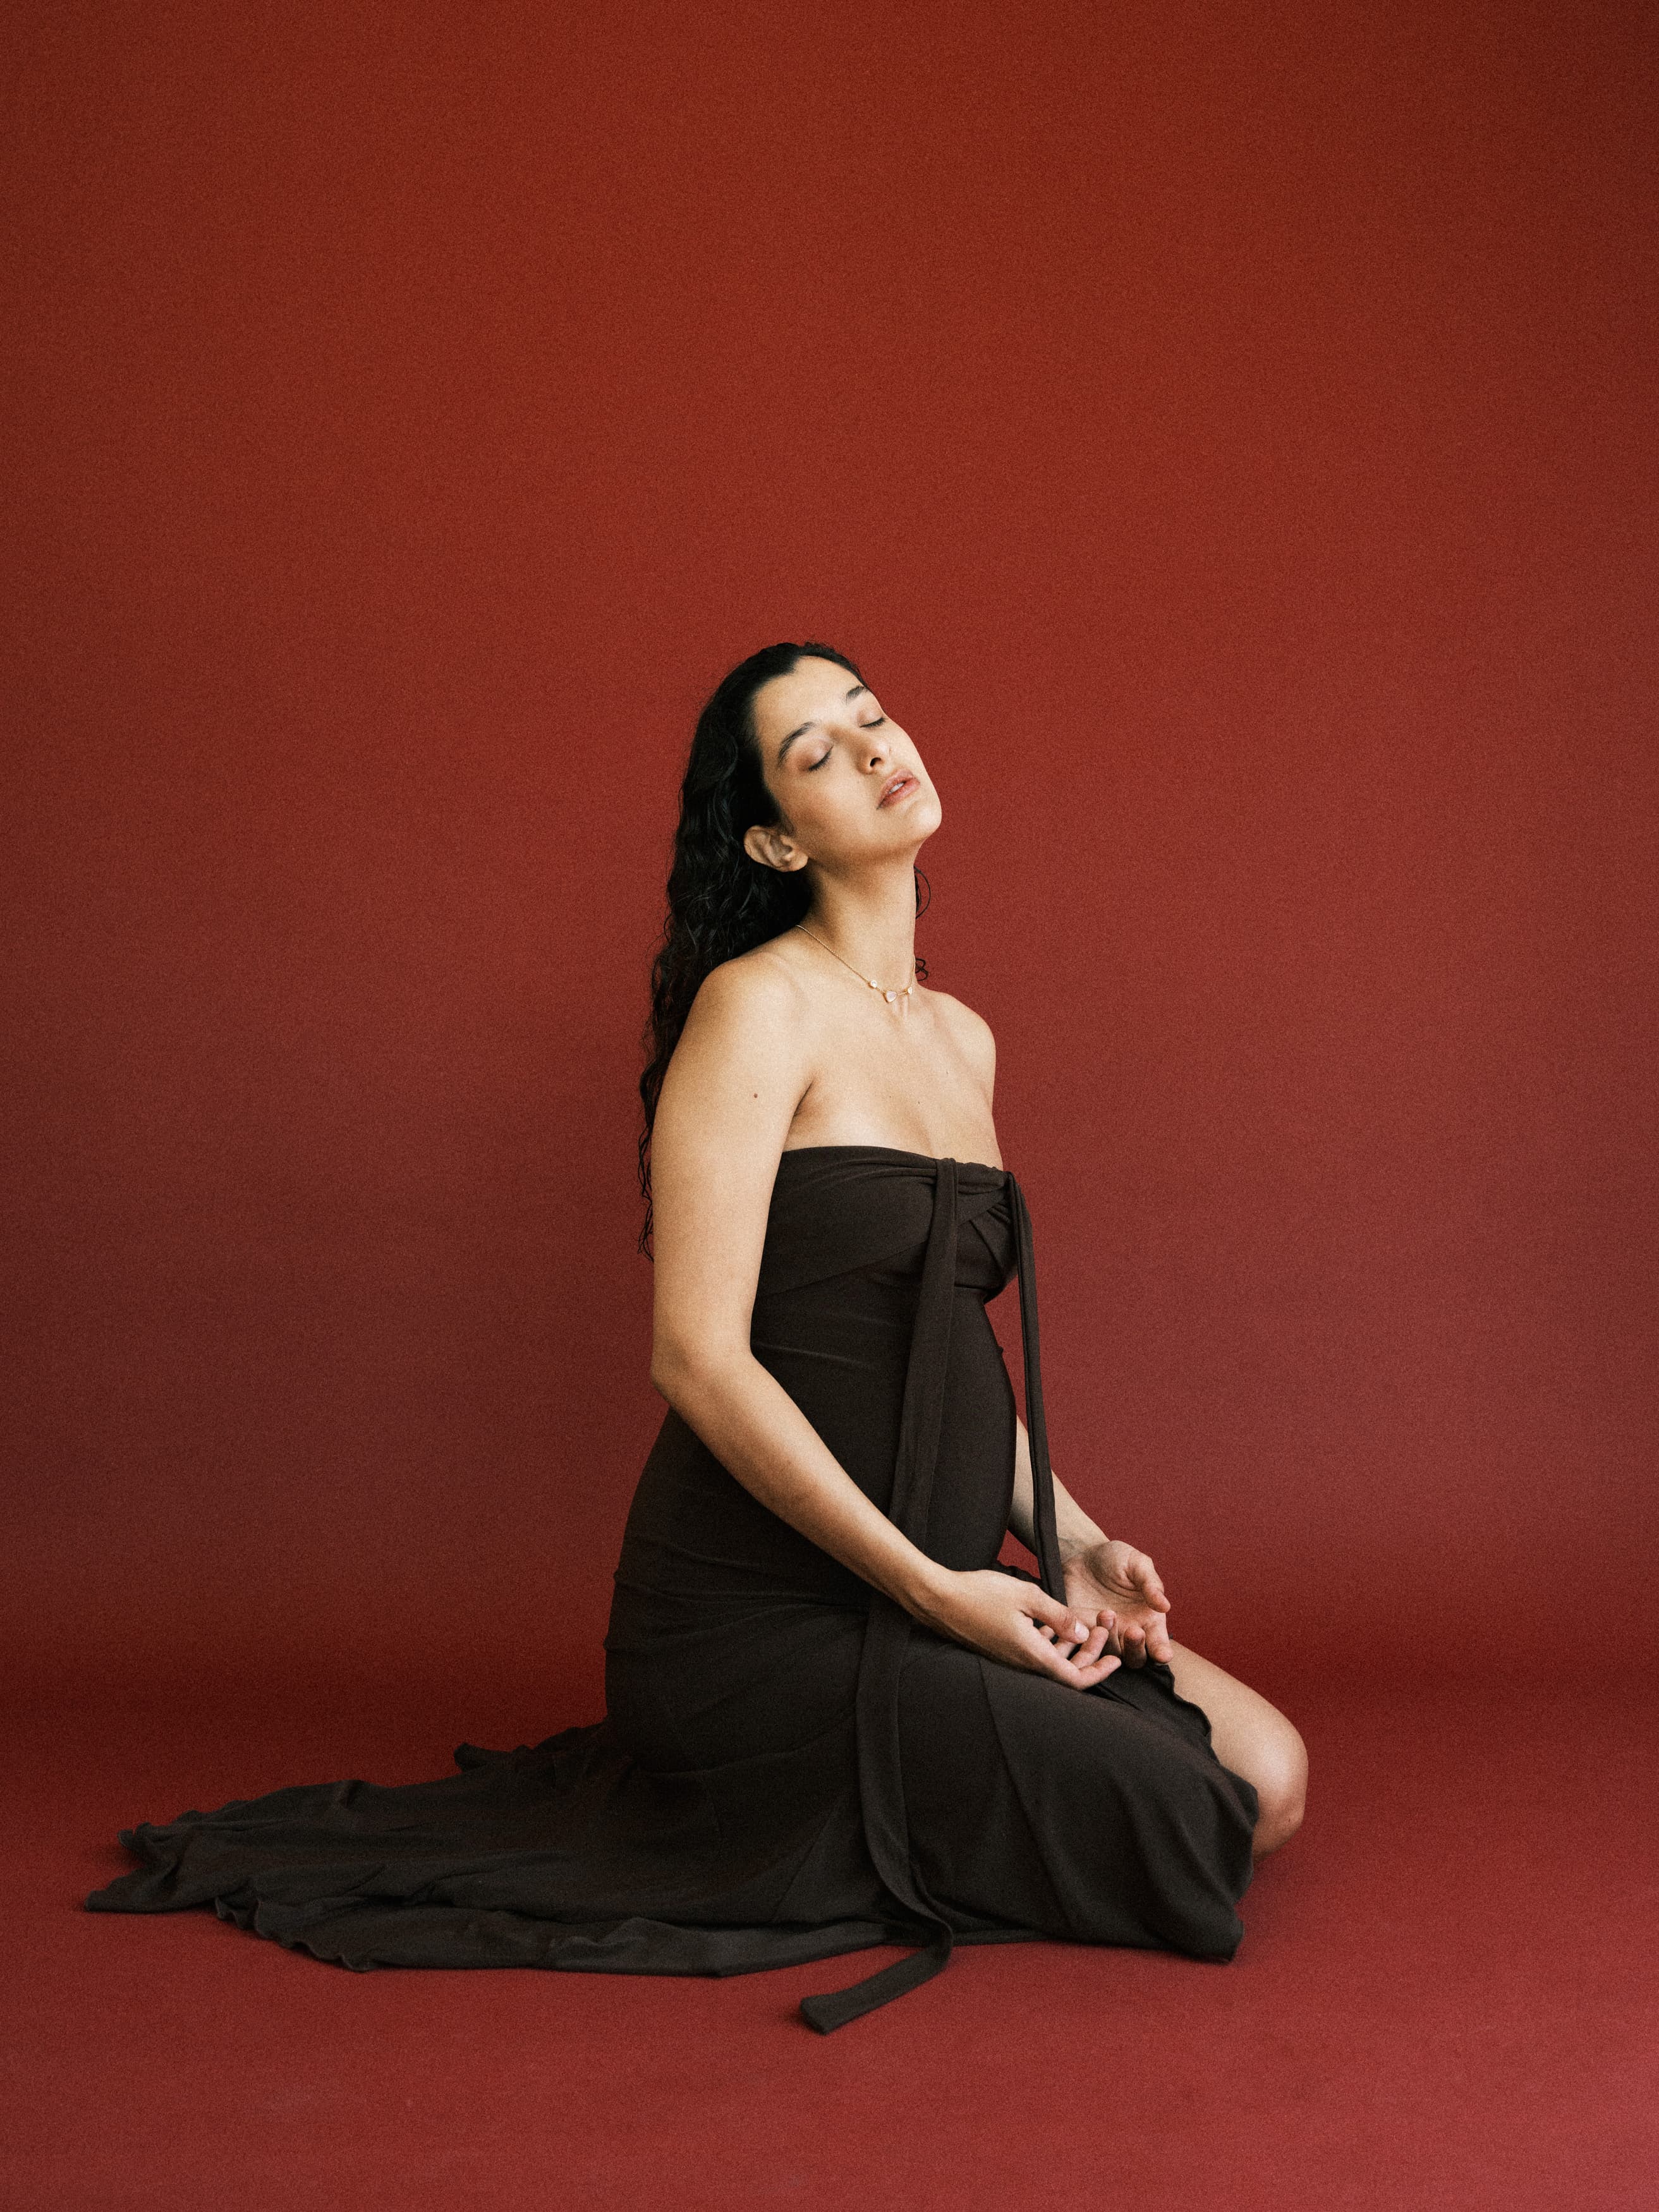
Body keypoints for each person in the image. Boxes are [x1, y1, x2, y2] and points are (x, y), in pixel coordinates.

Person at [87, 640, 1306, 2033]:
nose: (873, 747)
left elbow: (943, 1359)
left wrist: (1071, 1539)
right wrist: (933, 1590)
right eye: (815, 752)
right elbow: (698, 1360)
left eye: (870, 715)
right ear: (778, 840)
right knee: (1195, 1823)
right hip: (761, 1625)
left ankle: (931, 1774)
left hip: (942, 1582)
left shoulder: (961, 1039)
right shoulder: (756, 1007)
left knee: (1267, 1774)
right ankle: (855, 1790)